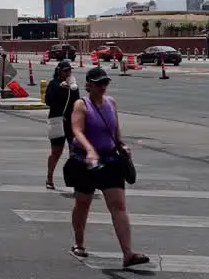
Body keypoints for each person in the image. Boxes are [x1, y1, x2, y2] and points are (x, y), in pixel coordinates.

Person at [65, 67, 147, 268]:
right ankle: (79, 242)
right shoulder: (81, 104)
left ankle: (128, 253)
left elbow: (115, 131)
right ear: (89, 85)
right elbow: (77, 130)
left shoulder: (111, 103)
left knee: (118, 205)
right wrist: (90, 150)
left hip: (110, 161)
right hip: (86, 162)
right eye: (99, 83)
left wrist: (122, 145)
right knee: (83, 202)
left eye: (105, 83)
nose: (103, 87)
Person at [44, 60, 80, 190]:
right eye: (65, 71)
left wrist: (72, 88)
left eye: (69, 71)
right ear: (59, 71)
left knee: (73, 150)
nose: (68, 73)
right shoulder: (54, 84)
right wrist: (60, 88)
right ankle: (49, 177)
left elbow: (77, 102)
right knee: (56, 151)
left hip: (70, 122)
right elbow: (48, 101)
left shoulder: (72, 85)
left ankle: (74, 179)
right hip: (56, 120)